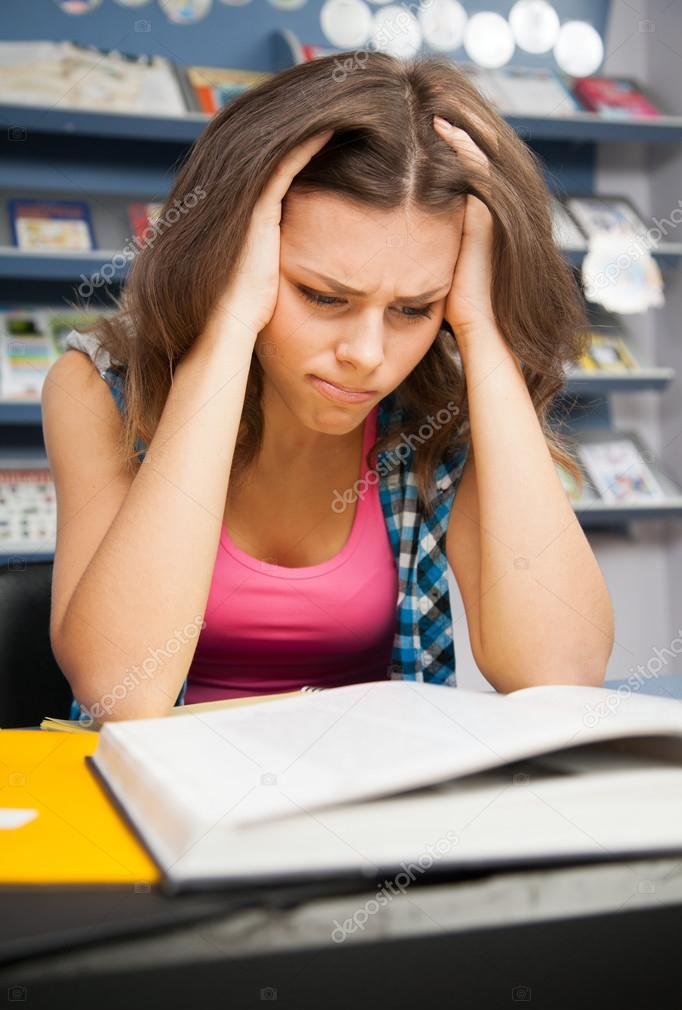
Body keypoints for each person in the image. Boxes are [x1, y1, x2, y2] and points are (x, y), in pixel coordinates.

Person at [42, 51, 614, 724]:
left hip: (373, 809)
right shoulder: (99, 388)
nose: (367, 355)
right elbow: (120, 690)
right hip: (157, 814)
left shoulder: (441, 411)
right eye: (322, 295)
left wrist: (485, 326)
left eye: (413, 308)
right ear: (233, 257)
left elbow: (561, 673)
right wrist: (228, 324)